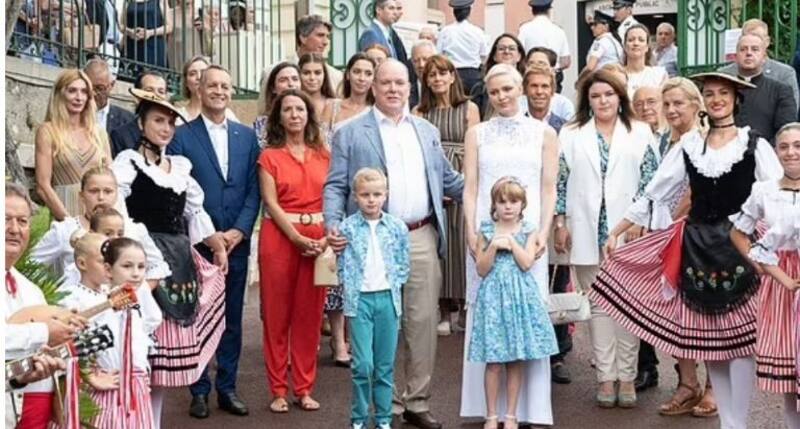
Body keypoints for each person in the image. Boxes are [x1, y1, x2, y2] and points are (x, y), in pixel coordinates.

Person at [592, 72, 783, 429]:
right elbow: (656, 192)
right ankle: (730, 422)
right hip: (698, 247)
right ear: (704, 101)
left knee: (740, 345)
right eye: (710, 94)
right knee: (712, 344)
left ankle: (737, 422)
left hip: (739, 246)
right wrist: (616, 231)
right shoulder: (690, 146)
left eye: (723, 93)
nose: (716, 100)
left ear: (736, 99)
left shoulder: (754, 144)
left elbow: (776, 197)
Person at [325, 59, 464, 429]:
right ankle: (384, 406)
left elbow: (449, 180)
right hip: (371, 240)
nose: (392, 89)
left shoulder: (427, 130)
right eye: (385, 82)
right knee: (378, 327)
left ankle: (416, 401)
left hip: (419, 236)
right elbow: (336, 185)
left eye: (400, 83)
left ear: (410, 87)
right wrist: (333, 224)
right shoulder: (349, 132)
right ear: (373, 87)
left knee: (422, 323)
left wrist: (491, 190)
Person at [112, 88, 229, 427]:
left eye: (169, 123)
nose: (165, 128)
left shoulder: (178, 167)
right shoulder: (127, 163)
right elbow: (120, 215)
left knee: (161, 366)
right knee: (142, 354)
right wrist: (141, 255)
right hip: (142, 263)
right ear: (141, 123)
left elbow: (195, 212)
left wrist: (218, 246)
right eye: (158, 121)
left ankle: (153, 421)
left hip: (178, 262)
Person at [461, 63, 559, 426]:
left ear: (520, 88)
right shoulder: (477, 133)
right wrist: (470, 231)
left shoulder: (544, 132)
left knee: (525, 312)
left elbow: (548, 188)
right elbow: (471, 187)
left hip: (527, 234)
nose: (501, 97)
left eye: (507, 89)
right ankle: (486, 409)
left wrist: (543, 231)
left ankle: (526, 409)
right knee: (488, 310)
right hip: (487, 231)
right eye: (494, 91)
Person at [555, 68, 655, 408]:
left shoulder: (639, 131)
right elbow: (560, 180)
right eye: (596, 96)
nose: (603, 101)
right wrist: (560, 222)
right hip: (584, 227)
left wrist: (640, 220)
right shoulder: (571, 133)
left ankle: (627, 377)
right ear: (587, 100)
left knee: (626, 306)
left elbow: (651, 180)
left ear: (620, 97)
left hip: (627, 231)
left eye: (609, 94)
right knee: (598, 305)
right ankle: (606, 378)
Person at [167, 65, 261, 419]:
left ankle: (227, 388)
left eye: (225, 85)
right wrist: (209, 233)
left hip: (236, 242)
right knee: (198, 316)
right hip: (198, 243)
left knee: (232, 318)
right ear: (199, 89)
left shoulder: (246, 136)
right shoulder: (182, 136)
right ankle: (199, 390)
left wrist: (240, 230)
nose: (219, 91)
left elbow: (254, 190)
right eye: (212, 85)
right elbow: (179, 189)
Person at [258, 89, 329, 414]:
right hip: (280, 238)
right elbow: (270, 203)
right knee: (277, 316)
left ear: (308, 115)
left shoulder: (324, 154)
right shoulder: (269, 157)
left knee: (310, 316)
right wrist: (296, 237)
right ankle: (277, 389)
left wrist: (324, 239)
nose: (294, 115)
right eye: (287, 109)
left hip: (318, 240)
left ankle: (304, 388)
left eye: (300, 109)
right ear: (279, 117)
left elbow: (333, 196)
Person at [469, 177, 558, 429]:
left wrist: (511, 243)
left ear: (522, 205)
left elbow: (527, 263)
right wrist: (493, 247)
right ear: (494, 205)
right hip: (493, 299)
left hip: (519, 297)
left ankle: (511, 415)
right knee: (493, 360)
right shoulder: (486, 230)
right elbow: (481, 269)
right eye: (502, 201)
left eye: (514, 201)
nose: (508, 206)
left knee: (515, 358)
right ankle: (490, 415)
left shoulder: (528, 229)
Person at [730, 122, 800, 428]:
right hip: (781, 284)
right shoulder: (765, 190)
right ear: (776, 152)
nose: (791, 152)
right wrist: (759, 262)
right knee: (790, 376)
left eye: (798, 146)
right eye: (784, 147)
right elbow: (738, 232)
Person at [61, 234, 162, 428]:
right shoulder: (97, 304)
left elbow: (150, 323)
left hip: (135, 385)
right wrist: (90, 375)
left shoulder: (137, 297)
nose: (136, 274)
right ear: (109, 269)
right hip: (109, 386)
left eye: (141, 267)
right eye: (127, 266)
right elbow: (74, 343)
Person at [5, 182, 82, 429]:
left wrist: (27, 375)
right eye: (5, 219)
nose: (14, 229)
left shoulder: (31, 292)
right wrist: (44, 332)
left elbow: (11, 373)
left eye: (22, 221)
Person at [338, 168, 410, 429]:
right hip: (360, 301)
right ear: (356, 196)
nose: (371, 200)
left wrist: (395, 282)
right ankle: (358, 417)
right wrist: (348, 285)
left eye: (377, 194)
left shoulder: (396, 227)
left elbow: (403, 261)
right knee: (363, 365)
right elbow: (340, 262)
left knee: (384, 365)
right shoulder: (347, 227)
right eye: (365, 195)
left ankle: (383, 418)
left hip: (388, 300)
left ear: (385, 195)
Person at [413, 54, 479, 336]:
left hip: (462, 177)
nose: (438, 79)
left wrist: (465, 183)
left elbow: (474, 148)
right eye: (432, 75)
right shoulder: (419, 112)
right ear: (426, 81)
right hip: (433, 178)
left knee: (463, 244)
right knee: (440, 246)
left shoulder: (469, 108)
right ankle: (443, 311)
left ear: (453, 76)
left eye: (443, 73)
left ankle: (464, 309)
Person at [320, 53, 377, 365]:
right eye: (357, 71)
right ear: (348, 74)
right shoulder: (332, 108)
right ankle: (338, 340)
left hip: (367, 197)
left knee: (364, 272)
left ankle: (359, 338)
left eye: (368, 72)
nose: (362, 78)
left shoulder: (377, 111)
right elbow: (320, 146)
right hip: (338, 189)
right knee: (337, 272)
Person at [31, 166, 169, 285]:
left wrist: (138, 293)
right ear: (81, 195)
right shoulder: (65, 230)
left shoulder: (134, 229)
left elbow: (157, 266)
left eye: (108, 191)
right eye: (94, 191)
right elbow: (31, 264)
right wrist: (54, 294)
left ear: (117, 195)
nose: (101, 197)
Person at [35, 69, 111, 221]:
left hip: (98, 217)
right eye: (72, 91)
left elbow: (111, 179)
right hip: (63, 213)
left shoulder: (98, 132)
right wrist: (69, 223)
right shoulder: (48, 131)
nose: (79, 97)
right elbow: (43, 186)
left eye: (84, 92)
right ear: (60, 94)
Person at [258, 15, 342, 115]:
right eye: (320, 35)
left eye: (327, 37)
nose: (326, 42)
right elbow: (263, 113)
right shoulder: (271, 72)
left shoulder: (335, 76)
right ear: (303, 38)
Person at [723, 32, 797, 142]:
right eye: (743, 49)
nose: (748, 53)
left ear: (764, 57)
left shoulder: (781, 91)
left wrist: (763, 149)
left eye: (755, 49)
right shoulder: (724, 90)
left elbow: (785, 132)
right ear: (736, 57)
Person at [719, 18, 800, 110]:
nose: (751, 41)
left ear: (767, 41)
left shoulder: (784, 73)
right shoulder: (725, 73)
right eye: (747, 36)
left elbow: (790, 109)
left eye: (757, 37)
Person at [109, 70, 168, 157]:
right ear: (136, 96)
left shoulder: (174, 135)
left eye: (161, 92)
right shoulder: (120, 135)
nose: (155, 96)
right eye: (149, 90)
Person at [437, 0, 488, 97]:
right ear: (469, 12)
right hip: (473, 75)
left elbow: (439, 54)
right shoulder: (477, 32)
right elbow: (484, 55)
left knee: (454, 103)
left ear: (454, 13)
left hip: (453, 74)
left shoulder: (445, 31)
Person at [473, 34, 526, 119]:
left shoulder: (527, 85)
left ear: (519, 56)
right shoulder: (480, 88)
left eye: (512, 48)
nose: (507, 51)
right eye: (501, 48)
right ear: (494, 56)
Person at [177, 55, 239, 123]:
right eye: (193, 74)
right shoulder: (178, 117)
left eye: (203, 72)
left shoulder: (227, 115)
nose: (199, 77)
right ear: (186, 82)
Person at [254, 62, 302, 146]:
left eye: (295, 79)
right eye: (283, 80)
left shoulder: (311, 118)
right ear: (273, 88)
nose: (291, 84)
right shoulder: (262, 124)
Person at [84, 58, 134, 137]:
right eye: (88, 87)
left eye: (99, 88)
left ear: (111, 85)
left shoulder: (127, 120)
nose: (93, 93)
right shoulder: (71, 114)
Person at [518, 0, 571, 71]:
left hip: (531, 72)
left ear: (533, 11)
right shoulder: (559, 30)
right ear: (549, 11)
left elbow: (519, 53)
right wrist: (553, 69)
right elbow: (566, 61)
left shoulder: (524, 29)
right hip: (553, 73)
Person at [524, 51, 574, 122]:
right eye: (534, 86)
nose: (539, 91)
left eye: (545, 86)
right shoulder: (514, 124)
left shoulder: (564, 126)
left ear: (552, 90)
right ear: (525, 89)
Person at [121, 0, 171, 70]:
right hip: (132, 46)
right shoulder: (128, 1)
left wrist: (150, 33)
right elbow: (120, 25)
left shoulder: (161, 1)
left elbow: (169, 27)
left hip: (154, 47)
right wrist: (130, 32)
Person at [623, 24, 668, 99]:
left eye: (641, 40)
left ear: (647, 47)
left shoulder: (659, 75)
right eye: (631, 40)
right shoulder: (616, 75)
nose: (636, 43)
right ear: (625, 46)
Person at [300, 53, 337, 123]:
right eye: (306, 73)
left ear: (324, 75)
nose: (312, 78)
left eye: (317, 73)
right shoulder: (291, 104)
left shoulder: (335, 105)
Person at [584, 10, 623, 74]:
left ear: (606, 26)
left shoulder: (601, 41)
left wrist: (581, 78)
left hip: (602, 77)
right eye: (591, 25)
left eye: (595, 24)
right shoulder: (614, 40)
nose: (592, 28)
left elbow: (590, 67)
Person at [409, 40, 437, 110]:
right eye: (416, 60)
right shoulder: (406, 93)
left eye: (425, 59)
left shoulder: (447, 91)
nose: (421, 65)